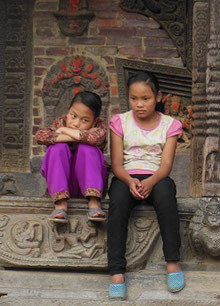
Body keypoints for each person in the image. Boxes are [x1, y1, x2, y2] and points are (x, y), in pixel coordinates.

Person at [107, 71, 184, 300]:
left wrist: (150, 181)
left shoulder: (171, 125)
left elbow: (166, 164)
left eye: (146, 99)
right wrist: (130, 181)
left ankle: (172, 262)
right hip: (126, 176)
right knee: (118, 203)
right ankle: (117, 272)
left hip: (156, 176)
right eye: (134, 99)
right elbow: (117, 163)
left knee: (166, 198)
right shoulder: (119, 122)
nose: (139, 105)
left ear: (158, 97)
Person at [36, 91, 107, 223]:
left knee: (88, 147)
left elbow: (95, 138)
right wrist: (74, 135)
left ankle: (94, 203)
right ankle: (60, 204)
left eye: (84, 120)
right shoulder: (59, 122)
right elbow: (40, 136)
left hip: (89, 184)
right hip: (63, 184)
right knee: (57, 148)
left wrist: (63, 131)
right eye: (73, 116)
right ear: (68, 112)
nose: (75, 123)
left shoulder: (99, 126)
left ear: (94, 121)